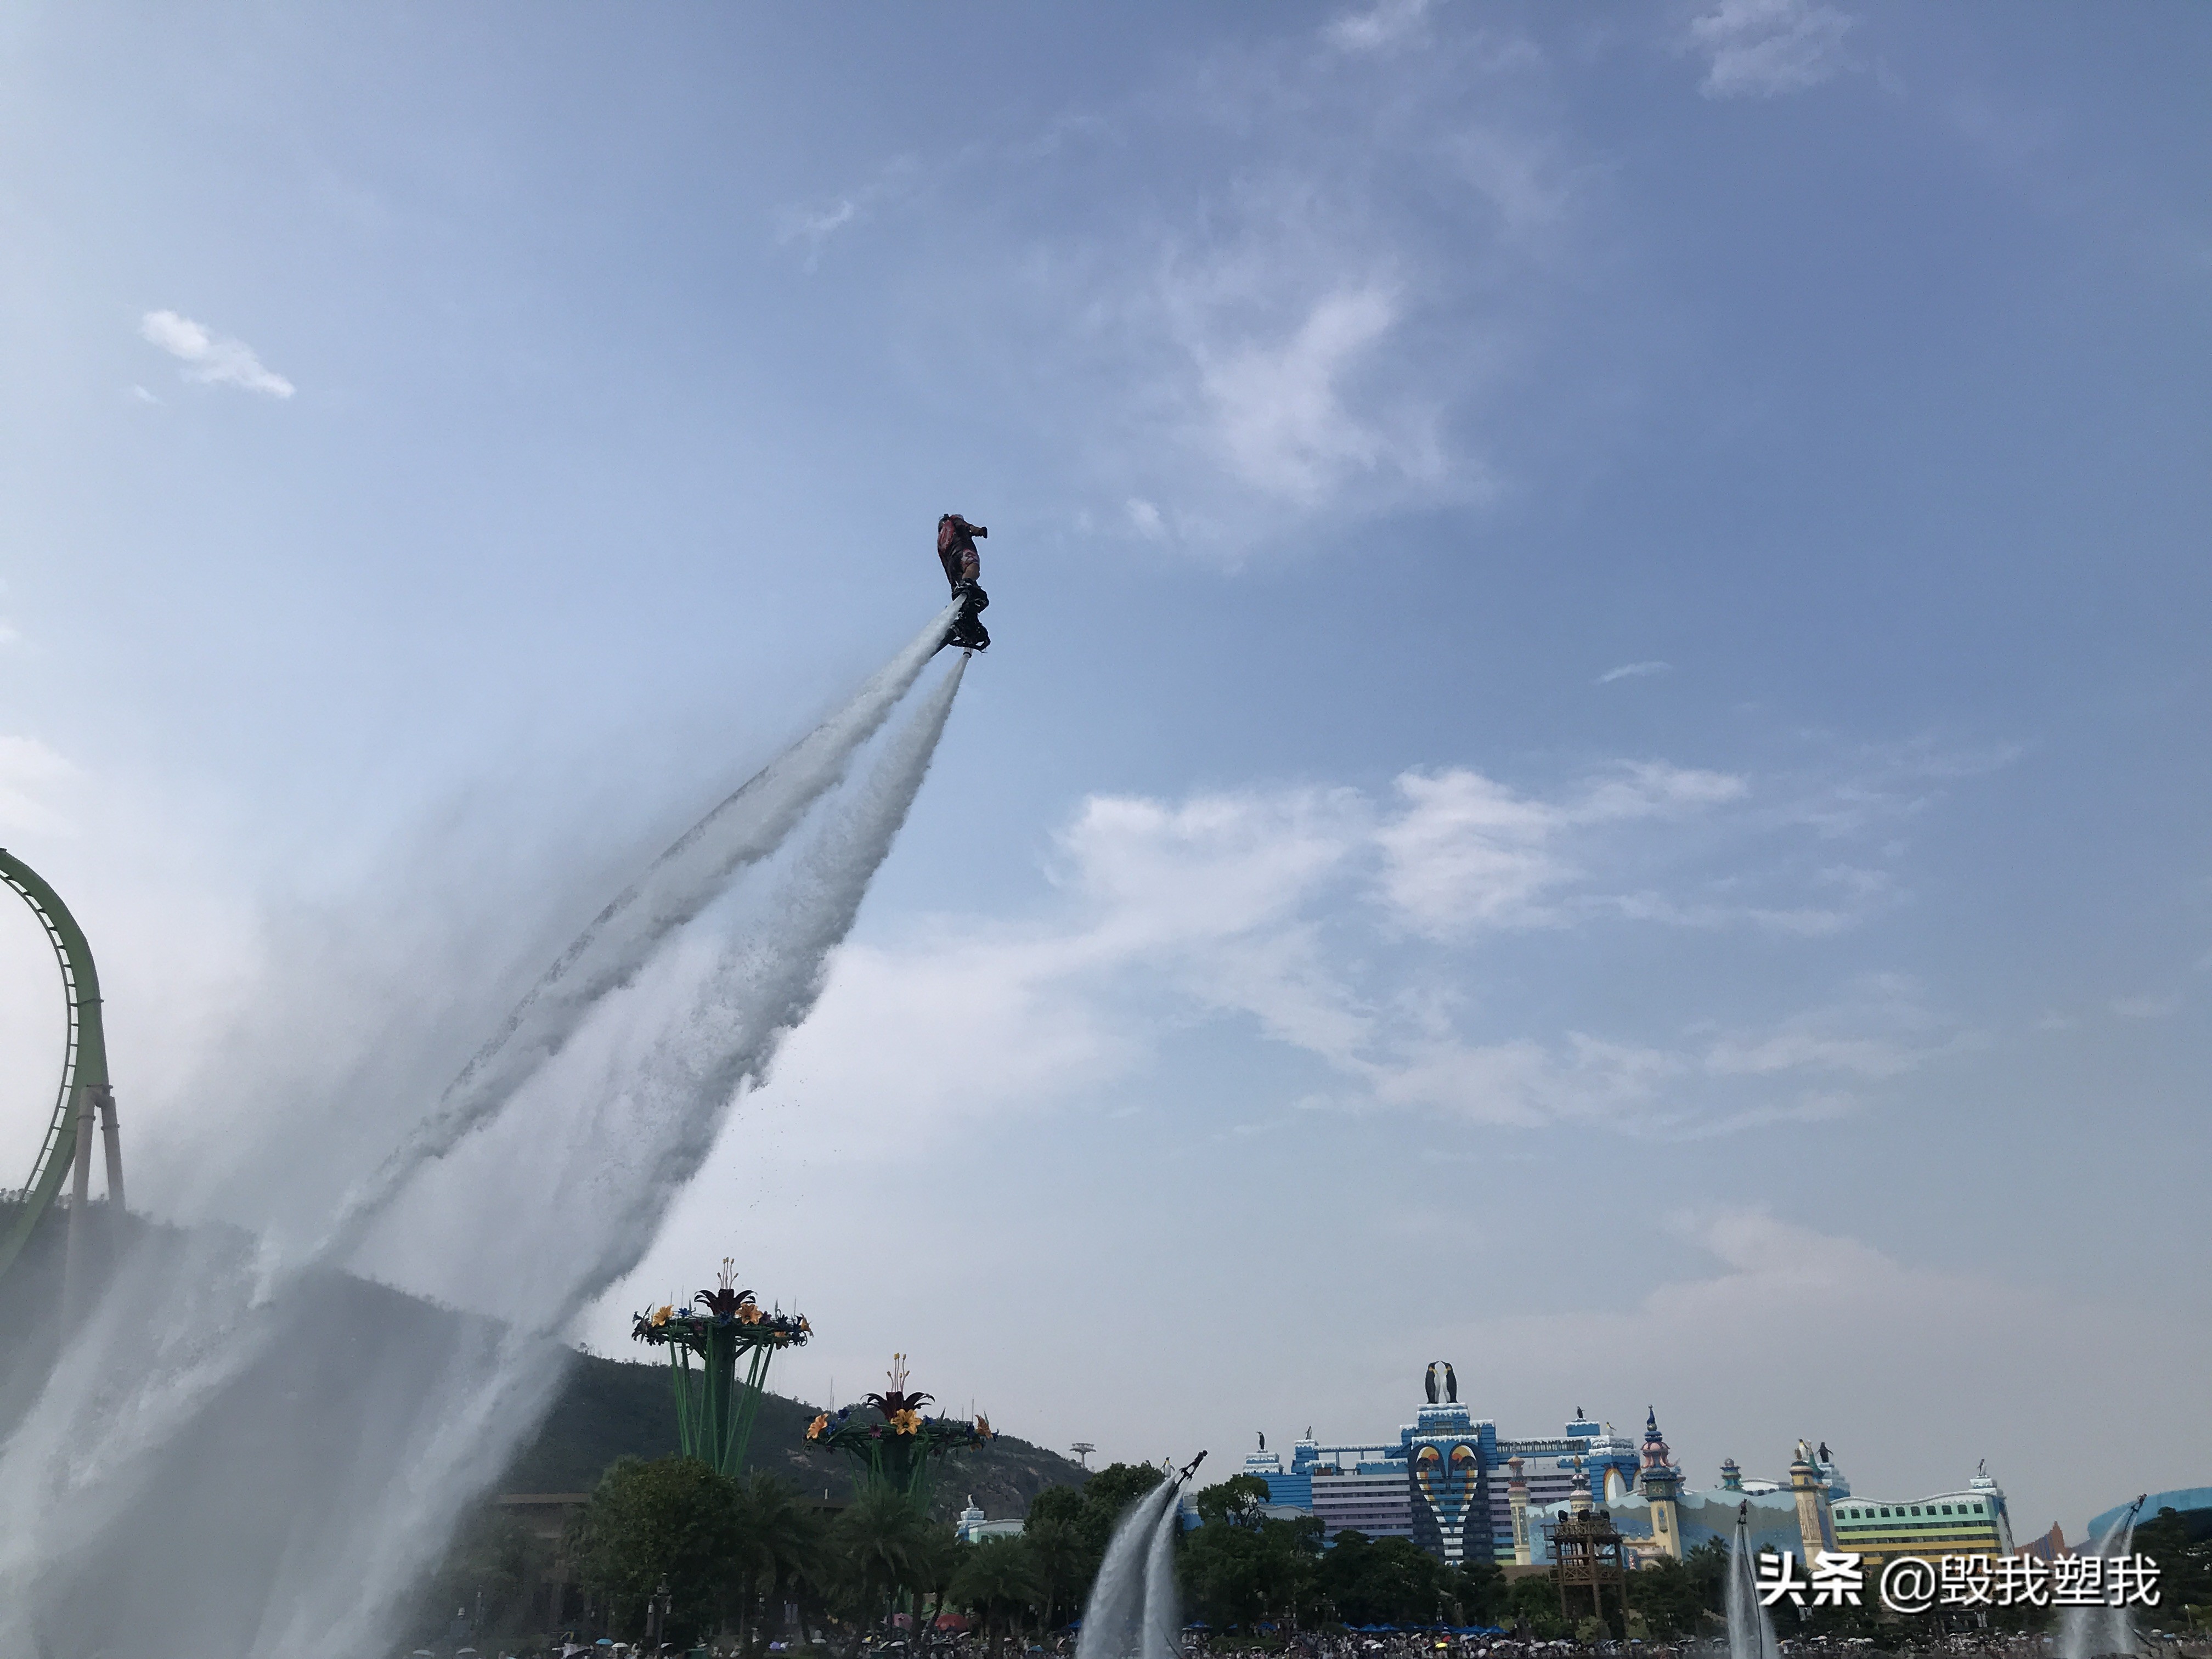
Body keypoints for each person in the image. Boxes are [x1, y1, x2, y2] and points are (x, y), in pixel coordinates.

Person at [936, 512, 990, 651]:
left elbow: (944, 563)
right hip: (963, 550)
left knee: (973, 594)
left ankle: (967, 620)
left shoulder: (941, 540)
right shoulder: (954, 522)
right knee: (973, 568)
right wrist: (980, 531)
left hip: (953, 567)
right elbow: (967, 527)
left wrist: (953, 586)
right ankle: (966, 585)